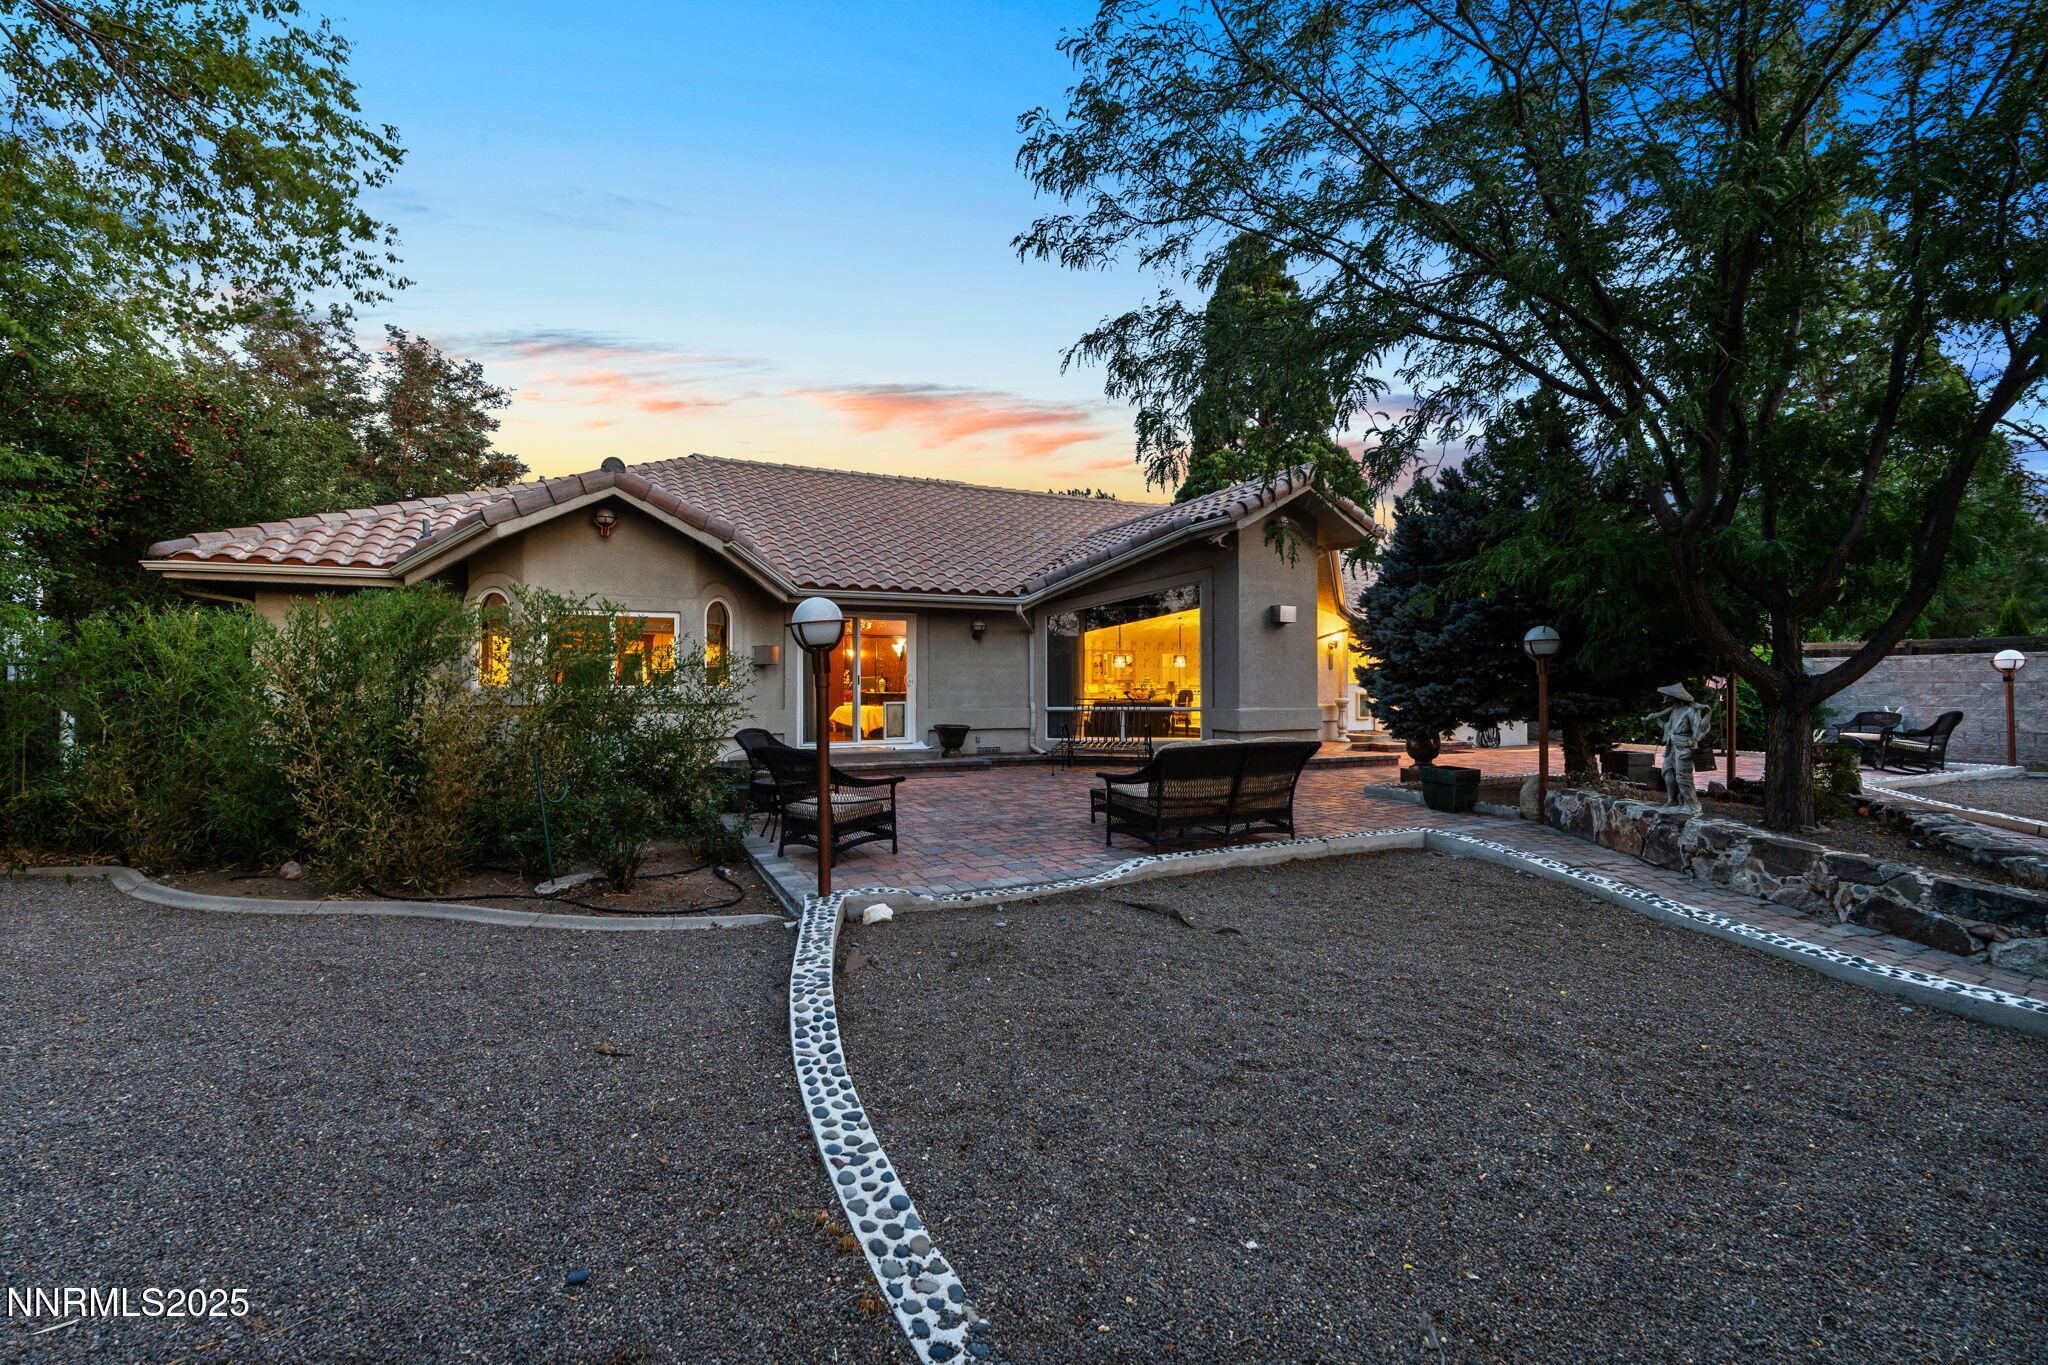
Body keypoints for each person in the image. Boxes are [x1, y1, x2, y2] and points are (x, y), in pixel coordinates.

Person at [1650, 683, 1711, 810]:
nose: (1664, 697)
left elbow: (1698, 730)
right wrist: (1656, 719)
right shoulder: (1674, 710)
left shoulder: (1691, 710)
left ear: (1674, 696)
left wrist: (1692, 747)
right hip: (1671, 745)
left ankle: (1690, 804)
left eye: (1666, 695)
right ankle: (1672, 800)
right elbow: (1669, 728)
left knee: (1683, 776)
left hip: (1684, 746)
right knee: (1667, 771)